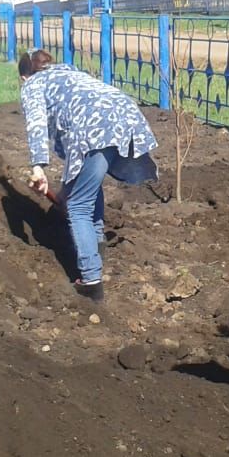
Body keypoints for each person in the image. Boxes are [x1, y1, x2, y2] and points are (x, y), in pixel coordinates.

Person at [18, 49, 158, 302]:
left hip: (95, 126)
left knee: (78, 207)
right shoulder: (70, 73)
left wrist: (38, 166)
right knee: (89, 187)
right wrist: (64, 188)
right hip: (125, 114)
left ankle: (91, 280)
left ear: (24, 76)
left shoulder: (33, 84)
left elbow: (36, 123)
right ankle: (96, 244)